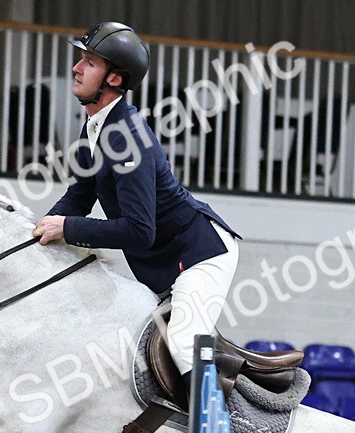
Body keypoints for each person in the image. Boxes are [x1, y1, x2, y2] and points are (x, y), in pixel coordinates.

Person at [33, 21, 240, 381]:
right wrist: (36, 232)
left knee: (182, 343)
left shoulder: (127, 137)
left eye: (89, 63)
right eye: (80, 59)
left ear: (114, 79)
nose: (76, 68)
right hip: (167, 261)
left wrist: (65, 228)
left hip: (200, 255)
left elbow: (139, 230)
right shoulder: (96, 127)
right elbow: (80, 195)